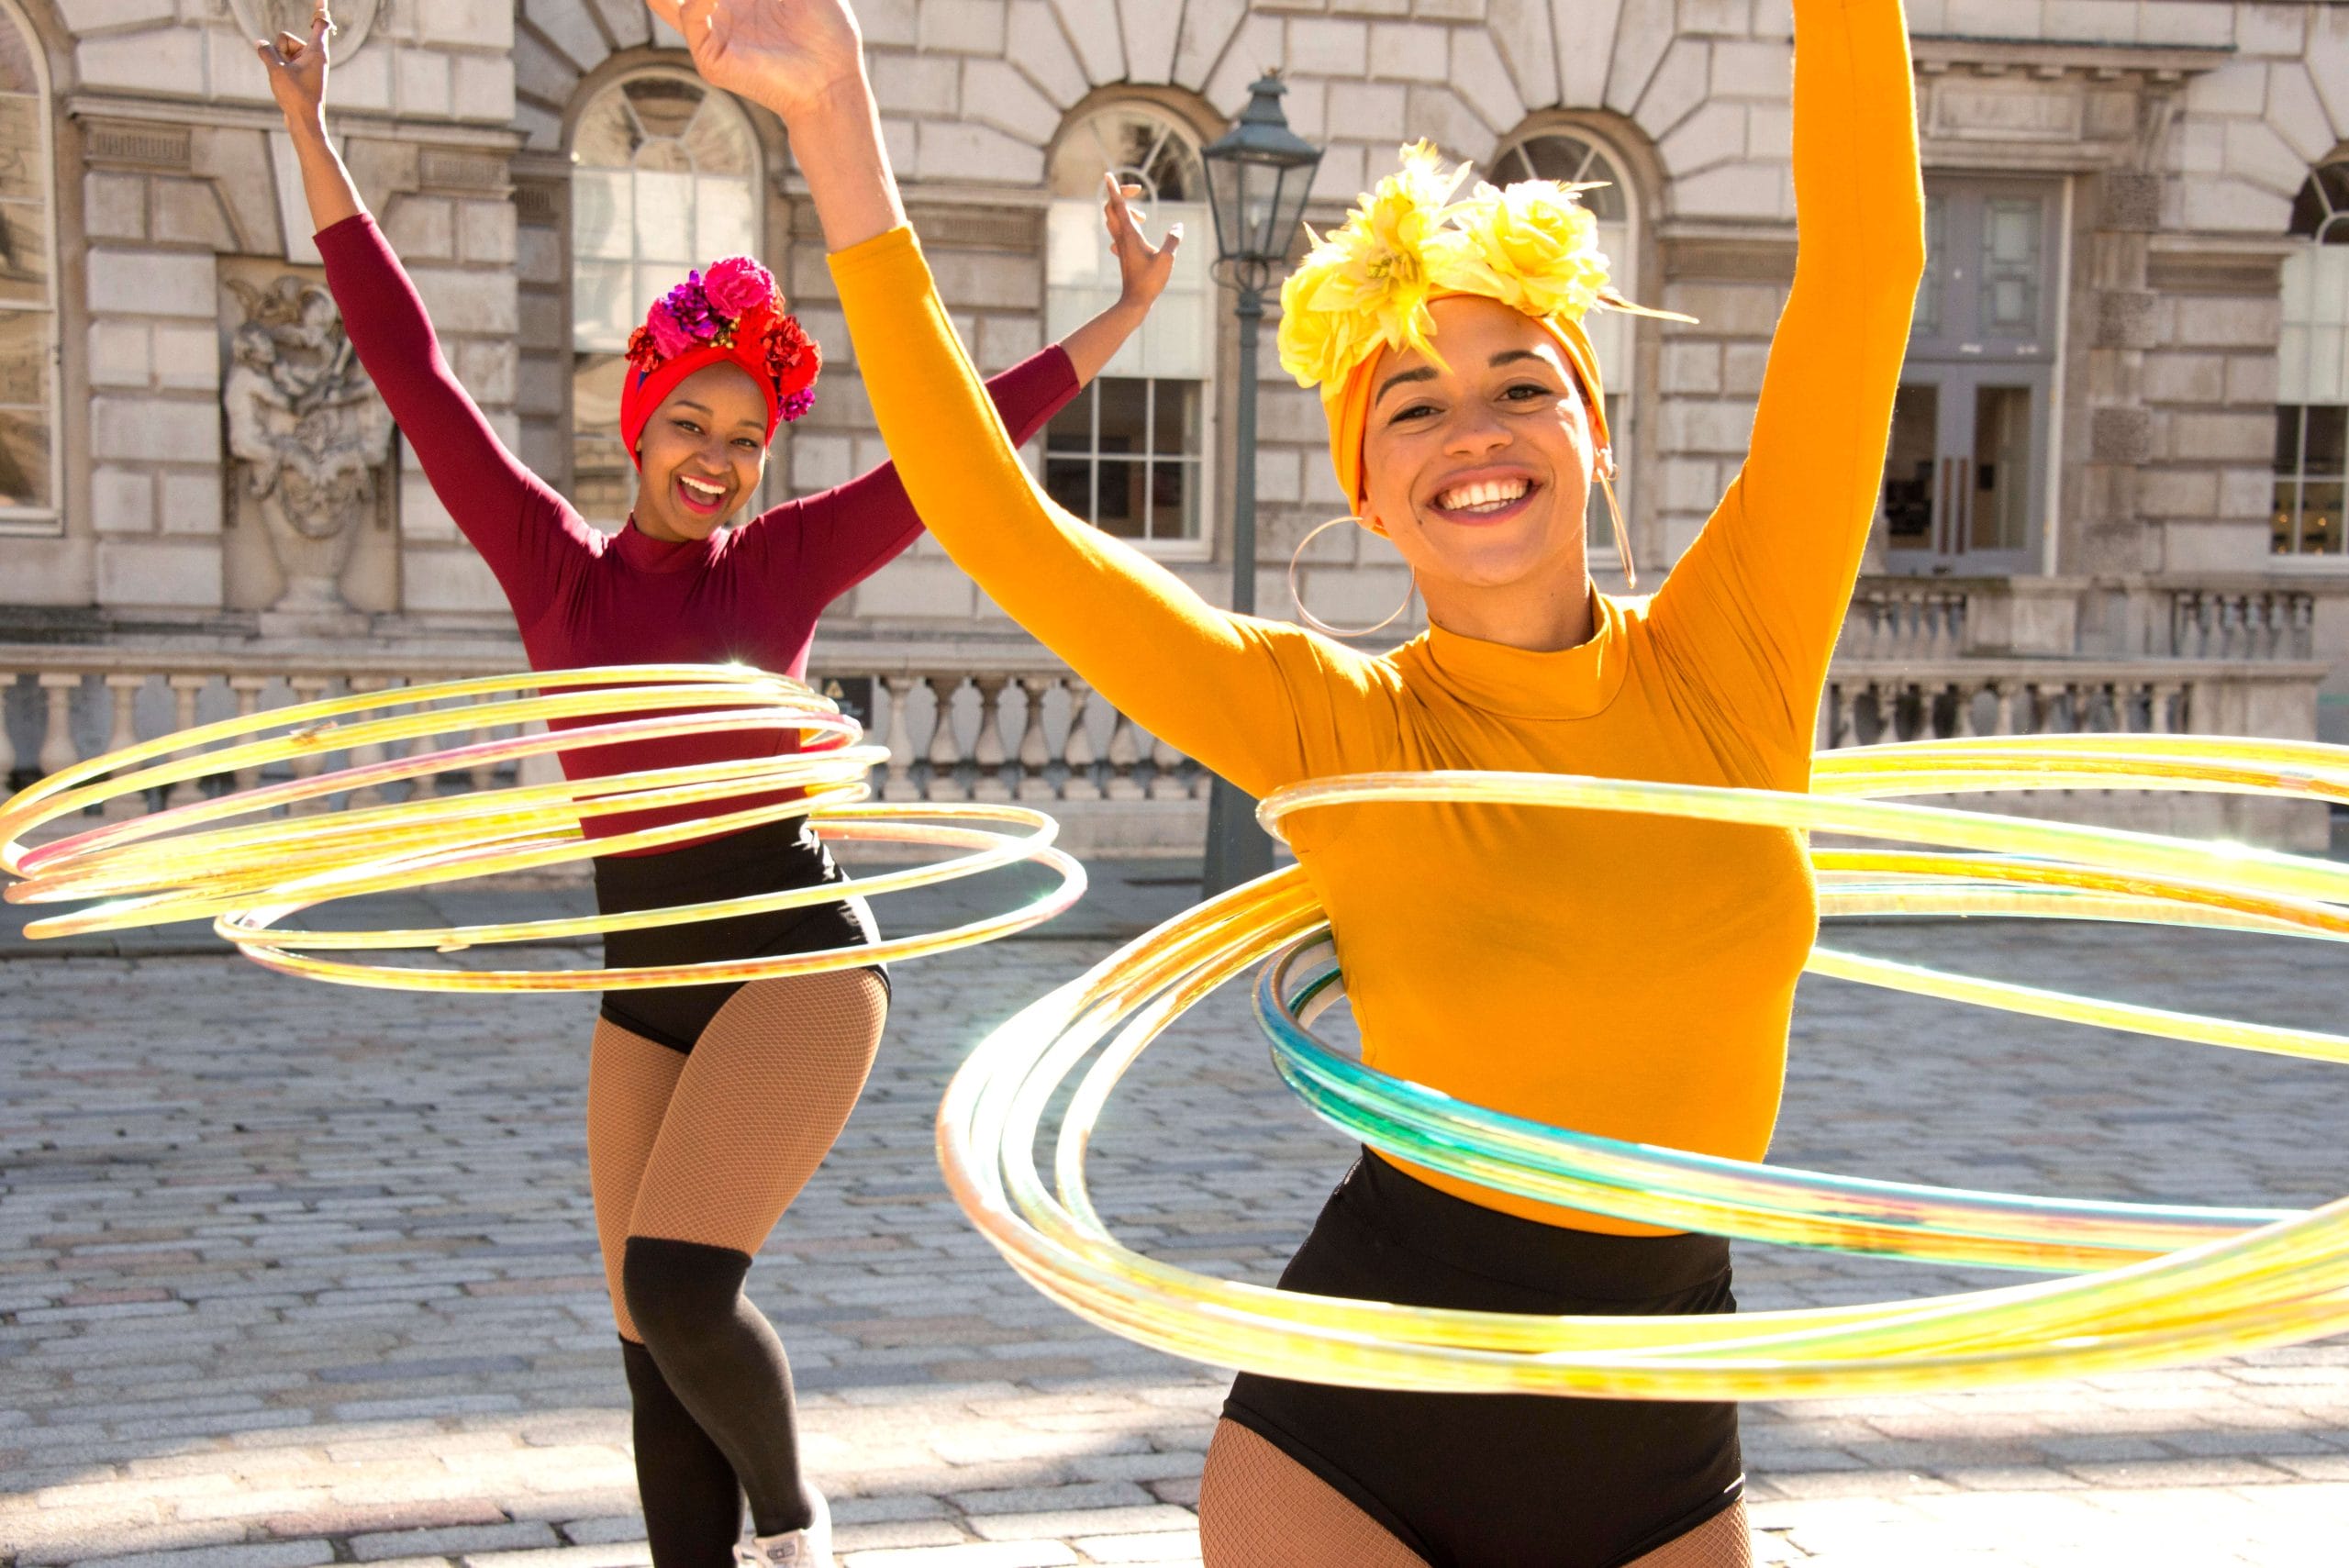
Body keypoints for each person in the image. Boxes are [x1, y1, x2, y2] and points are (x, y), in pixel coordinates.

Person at [661, 0, 1922, 1561]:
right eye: (1415, 404)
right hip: (1362, 1426)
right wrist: (835, 117)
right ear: (1370, 490)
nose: (1477, 428)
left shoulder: (1739, 653)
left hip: (1662, 1406)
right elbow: (996, 521)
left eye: (1523, 382)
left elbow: (1865, 278)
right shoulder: (1333, 725)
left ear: (1593, 426)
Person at [252, 9, 1174, 1566]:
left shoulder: (788, 561)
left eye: (746, 438)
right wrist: (307, 133)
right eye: (691, 422)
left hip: (800, 970)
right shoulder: (552, 567)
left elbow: (962, 453)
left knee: (684, 1287)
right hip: (646, 985)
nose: (718, 457)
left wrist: (1121, 318)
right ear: (640, 419)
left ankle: (800, 1534)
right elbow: (408, 368)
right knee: (642, 1337)